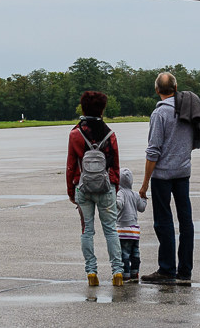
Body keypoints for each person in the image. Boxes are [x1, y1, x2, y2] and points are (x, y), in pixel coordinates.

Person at [139, 72, 195, 284]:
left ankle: (167, 269)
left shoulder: (159, 114)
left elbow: (153, 151)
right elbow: (198, 140)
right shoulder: (187, 109)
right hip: (183, 172)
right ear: (175, 87)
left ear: (157, 90)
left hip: (162, 175)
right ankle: (185, 270)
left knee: (163, 221)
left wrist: (145, 183)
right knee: (186, 221)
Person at [66, 91, 123, 286]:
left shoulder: (75, 134)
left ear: (83, 107)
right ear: (103, 108)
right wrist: (114, 187)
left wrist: (70, 190)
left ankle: (91, 271)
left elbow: (71, 165)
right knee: (111, 231)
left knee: (87, 230)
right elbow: (115, 165)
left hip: (83, 188)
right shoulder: (110, 134)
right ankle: (117, 272)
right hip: (106, 187)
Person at [116, 168, 147, 283]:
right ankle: (135, 272)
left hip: (123, 231)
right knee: (135, 253)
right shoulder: (135, 194)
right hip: (134, 231)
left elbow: (119, 203)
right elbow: (142, 208)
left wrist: (112, 202)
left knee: (124, 254)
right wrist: (143, 198)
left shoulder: (120, 193)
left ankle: (126, 274)